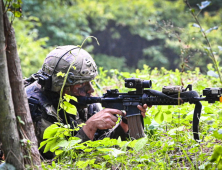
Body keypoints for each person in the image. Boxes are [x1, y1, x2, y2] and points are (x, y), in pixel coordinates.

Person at [25, 45, 148, 158]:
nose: (91, 90)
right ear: (62, 87)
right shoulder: (35, 107)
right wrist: (89, 127)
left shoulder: (82, 100)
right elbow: (58, 160)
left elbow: (101, 145)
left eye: (90, 82)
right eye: (82, 85)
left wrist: (124, 124)